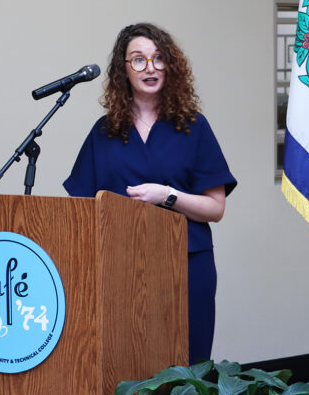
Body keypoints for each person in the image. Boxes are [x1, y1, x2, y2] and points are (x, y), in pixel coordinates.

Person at [63, 22, 236, 364]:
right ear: (123, 71)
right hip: (120, 268)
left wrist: (167, 195)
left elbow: (215, 208)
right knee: (127, 363)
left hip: (186, 264)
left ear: (170, 66)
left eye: (158, 58)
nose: (150, 67)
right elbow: (81, 207)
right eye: (138, 60)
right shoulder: (105, 131)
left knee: (188, 364)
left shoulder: (193, 126)